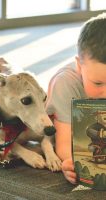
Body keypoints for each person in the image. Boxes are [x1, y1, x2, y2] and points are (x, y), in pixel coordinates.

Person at [45, 12, 106, 185]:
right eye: (98, 83)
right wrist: (70, 162)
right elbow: (64, 143)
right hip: (77, 137)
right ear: (80, 65)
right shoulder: (65, 83)